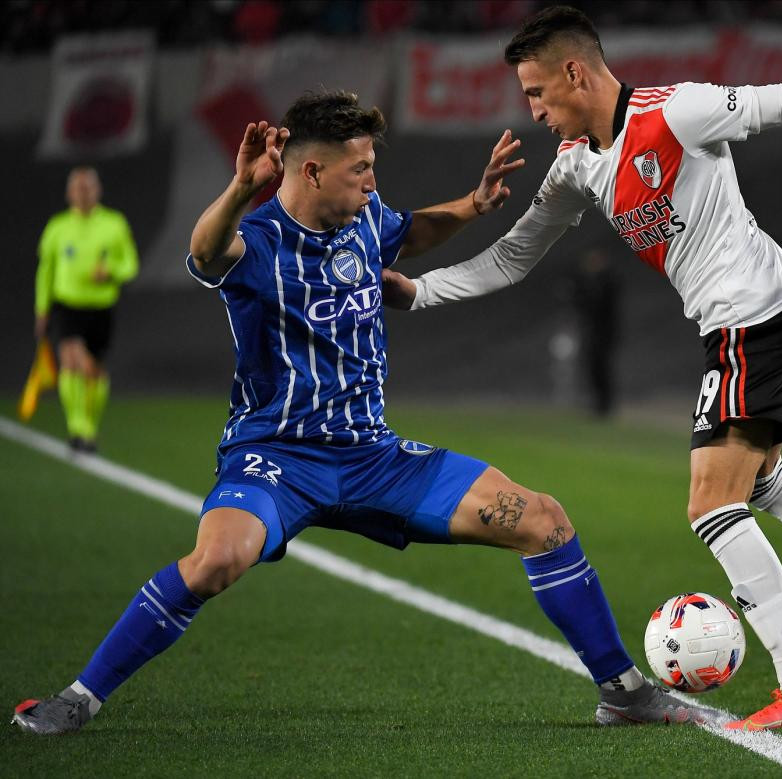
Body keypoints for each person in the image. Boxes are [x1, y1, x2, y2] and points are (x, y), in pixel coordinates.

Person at [12, 91, 707, 736]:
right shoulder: (256, 243)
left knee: (544, 519)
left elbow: (407, 233)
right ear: (311, 170)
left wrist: (473, 203)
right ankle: (80, 696)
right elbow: (202, 248)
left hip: (373, 458)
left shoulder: (364, 218)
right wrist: (239, 186)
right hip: (277, 457)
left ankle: (621, 690)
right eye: (362, 168)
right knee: (217, 559)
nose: (373, 181)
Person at [382, 6, 782, 731]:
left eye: (536, 92)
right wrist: (421, 291)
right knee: (762, 481)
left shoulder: (676, 112)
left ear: (575, 73)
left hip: (757, 317)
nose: (531, 110)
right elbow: (516, 255)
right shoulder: (576, 168)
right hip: (766, 311)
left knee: (712, 504)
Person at [34, 166, 139, 452]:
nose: (82, 193)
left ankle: (89, 428)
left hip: (100, 307)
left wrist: (112, 271)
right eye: (77, 188)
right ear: (69, 193)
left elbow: (130, 263)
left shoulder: (114, 223)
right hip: (67, 305)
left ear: (97, 190)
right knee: (71, 359)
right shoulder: (57, 227)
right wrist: (42, 308)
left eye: (88, 187)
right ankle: (77, 426)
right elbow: (46, 270)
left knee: (94, 371)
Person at [572, 248, 621, 417]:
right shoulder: (592, 282)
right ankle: (598, 403)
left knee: (601, 368)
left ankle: (604, 405)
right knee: (593, 367)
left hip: (604, 333)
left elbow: (598, 306)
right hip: (594, 332)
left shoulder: (607, 282)